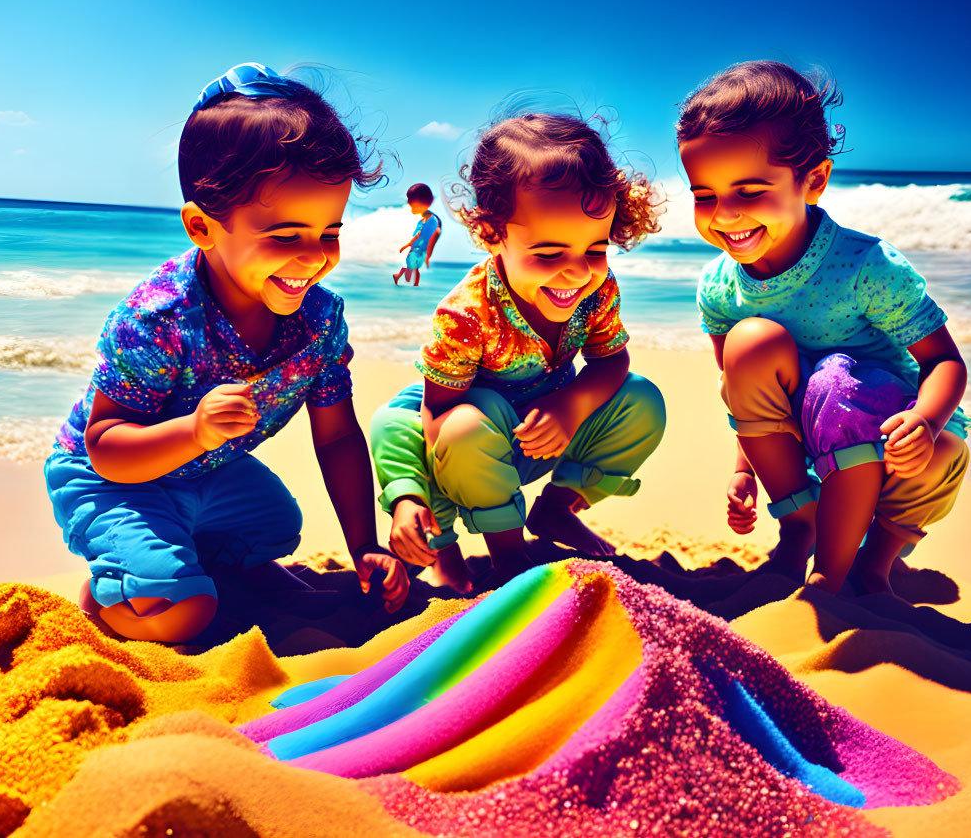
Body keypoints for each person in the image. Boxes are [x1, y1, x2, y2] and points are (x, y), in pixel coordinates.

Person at [43, 63, 410, 643]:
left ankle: (204, 563)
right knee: (184, 613)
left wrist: (364, 545)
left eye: (330, 232)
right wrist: (195, 431)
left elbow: (337, 435)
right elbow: (105, 448)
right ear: (201, 226)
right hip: (114, 477)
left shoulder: (319, 320)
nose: (312, 257)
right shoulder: (158, 319)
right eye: (285, 236)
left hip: (209, 471)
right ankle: (111, 592)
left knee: (277, 526)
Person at [677, 61, 971, 595]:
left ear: (813, 180)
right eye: (705, 195)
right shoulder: (720, 287)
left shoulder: (865, 265)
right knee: (749, 345)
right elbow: (742, 397)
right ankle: (800, 526)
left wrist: (927, 425)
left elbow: (944, 362)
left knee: (846, 388)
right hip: (804, 443)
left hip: (893, 440)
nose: (725, 216)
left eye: (749, 191)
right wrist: (745, 469)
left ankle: (869, 566)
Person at [370, 110, 666, 589]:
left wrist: (571, 405)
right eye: (549, 253)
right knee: (411, 426)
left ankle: (555, 509)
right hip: (462, 442)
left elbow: (611, 361)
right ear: (492, 233)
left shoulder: (597, 288)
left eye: (594, 249)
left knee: (642, 401)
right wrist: (428, 499)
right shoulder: (467, 313)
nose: (577, 272)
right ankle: (495, 557)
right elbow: (437, 419)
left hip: (545, 423)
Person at [393, 183, 442, 286]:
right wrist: (409, 245)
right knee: (412, 269)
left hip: (420, 251)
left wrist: (428, 255)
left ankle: (408, 281)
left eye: (411, 203)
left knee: (413, 269)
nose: (408, 202)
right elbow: (418, 236)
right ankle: (408, 281)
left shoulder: (431, 220)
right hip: (417, 250)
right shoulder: (423, 221)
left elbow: (435, 234)